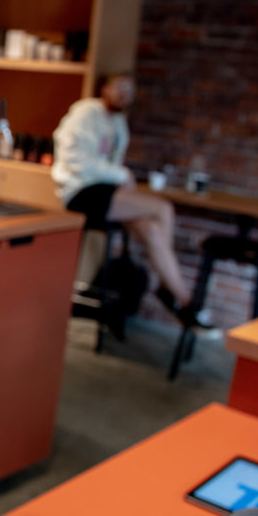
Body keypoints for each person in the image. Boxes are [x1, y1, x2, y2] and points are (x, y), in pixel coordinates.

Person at [51, 71, 208, 327]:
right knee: (163, 208)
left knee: (153, 230)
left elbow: (113, 164)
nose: (125, 94)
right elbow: (76, 162)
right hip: (81, 192)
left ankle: (178, 296)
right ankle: (174, 294)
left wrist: (119, 175)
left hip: (107, 194)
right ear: (105, 88)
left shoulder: (118, 123)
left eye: (130, 91)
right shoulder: (85, 113)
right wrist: (121, 173)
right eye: (120, 87)